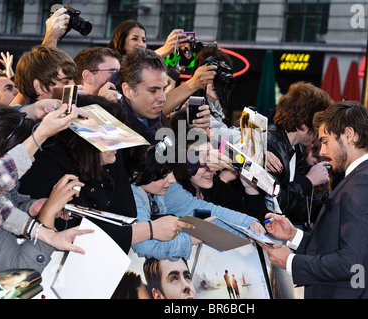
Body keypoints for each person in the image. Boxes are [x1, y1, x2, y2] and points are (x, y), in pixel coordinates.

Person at [261, 101, 368, 299]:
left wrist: (291, 262)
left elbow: (350, 263)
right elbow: (341, 246)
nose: (322, 152)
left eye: (326, 141)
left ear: (349, 134)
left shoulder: (365, 182)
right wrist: (293, 235)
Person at [18, 95, 193, 253]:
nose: (120, 145)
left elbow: (127, 215)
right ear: (86, 141)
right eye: (112, 138)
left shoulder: (110, 158)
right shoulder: (48, 166)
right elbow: (77, 233)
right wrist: (150, 230)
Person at [0, 104, 94, 273]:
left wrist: (31, 208)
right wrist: (48, 214)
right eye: (28, 152)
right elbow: (21, 270)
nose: (32, 159)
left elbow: (1, 208)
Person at [125, 141, 265, 261]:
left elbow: (200, 208)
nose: (172, 180)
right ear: (137, 176)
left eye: (172, 173)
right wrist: (195, 238)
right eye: (163, 176)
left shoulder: (168, 189)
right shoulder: (130, 197)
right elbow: (145, 246)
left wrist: (247, 224)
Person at [267, 81, 334, 229]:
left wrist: (334, 211)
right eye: (317, 126)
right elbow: (274, 203)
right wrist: (309, 181)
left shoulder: (297, 148)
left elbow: (300, 204)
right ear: (304, 124)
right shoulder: (270, 145)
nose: (318, 132)